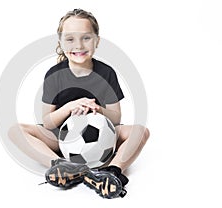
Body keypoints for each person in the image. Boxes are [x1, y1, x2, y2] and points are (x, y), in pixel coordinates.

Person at [8, 8, 150, 199]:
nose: (78, 45)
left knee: (140, 131)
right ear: (60, 42)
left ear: (97, 41)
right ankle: (61, 165)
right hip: (61, 136)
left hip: (102, 136)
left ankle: (112, 172)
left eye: (86, 38)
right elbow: (48, 122)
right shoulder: (54, 75)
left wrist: (98, 110)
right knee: (15, 130)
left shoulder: (106, 73)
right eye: (70, 39)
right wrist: (69, 107)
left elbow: (116, 118)